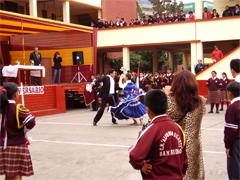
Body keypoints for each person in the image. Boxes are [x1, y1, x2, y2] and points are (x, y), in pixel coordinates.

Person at [129, 89, 188, 180]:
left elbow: (134, 155)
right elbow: (184, 161)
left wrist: (141, 165)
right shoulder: (178, 129)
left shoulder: (151, 130)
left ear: (147, 110)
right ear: (167, 107)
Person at [165, 70, 206, 180]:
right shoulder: (201, 101)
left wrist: (165, 94)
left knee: (177, 174)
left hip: (175, 145)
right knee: (194, 173)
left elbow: (159, 120)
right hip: (194, 144)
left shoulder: (169, 101)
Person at [0, 82, 36, 179]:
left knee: (8, 175)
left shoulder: (1, 108)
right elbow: (31, 122)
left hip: (2, 146)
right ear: (16, 94)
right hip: (17, 146)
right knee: (17, 175)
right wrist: (25, 130)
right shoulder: (17, 108)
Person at [224, 81, 240, 180]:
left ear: (230, 93)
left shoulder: (233, 107)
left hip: (236, 142)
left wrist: (227, 145)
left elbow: (230, 129)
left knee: (235, 169)